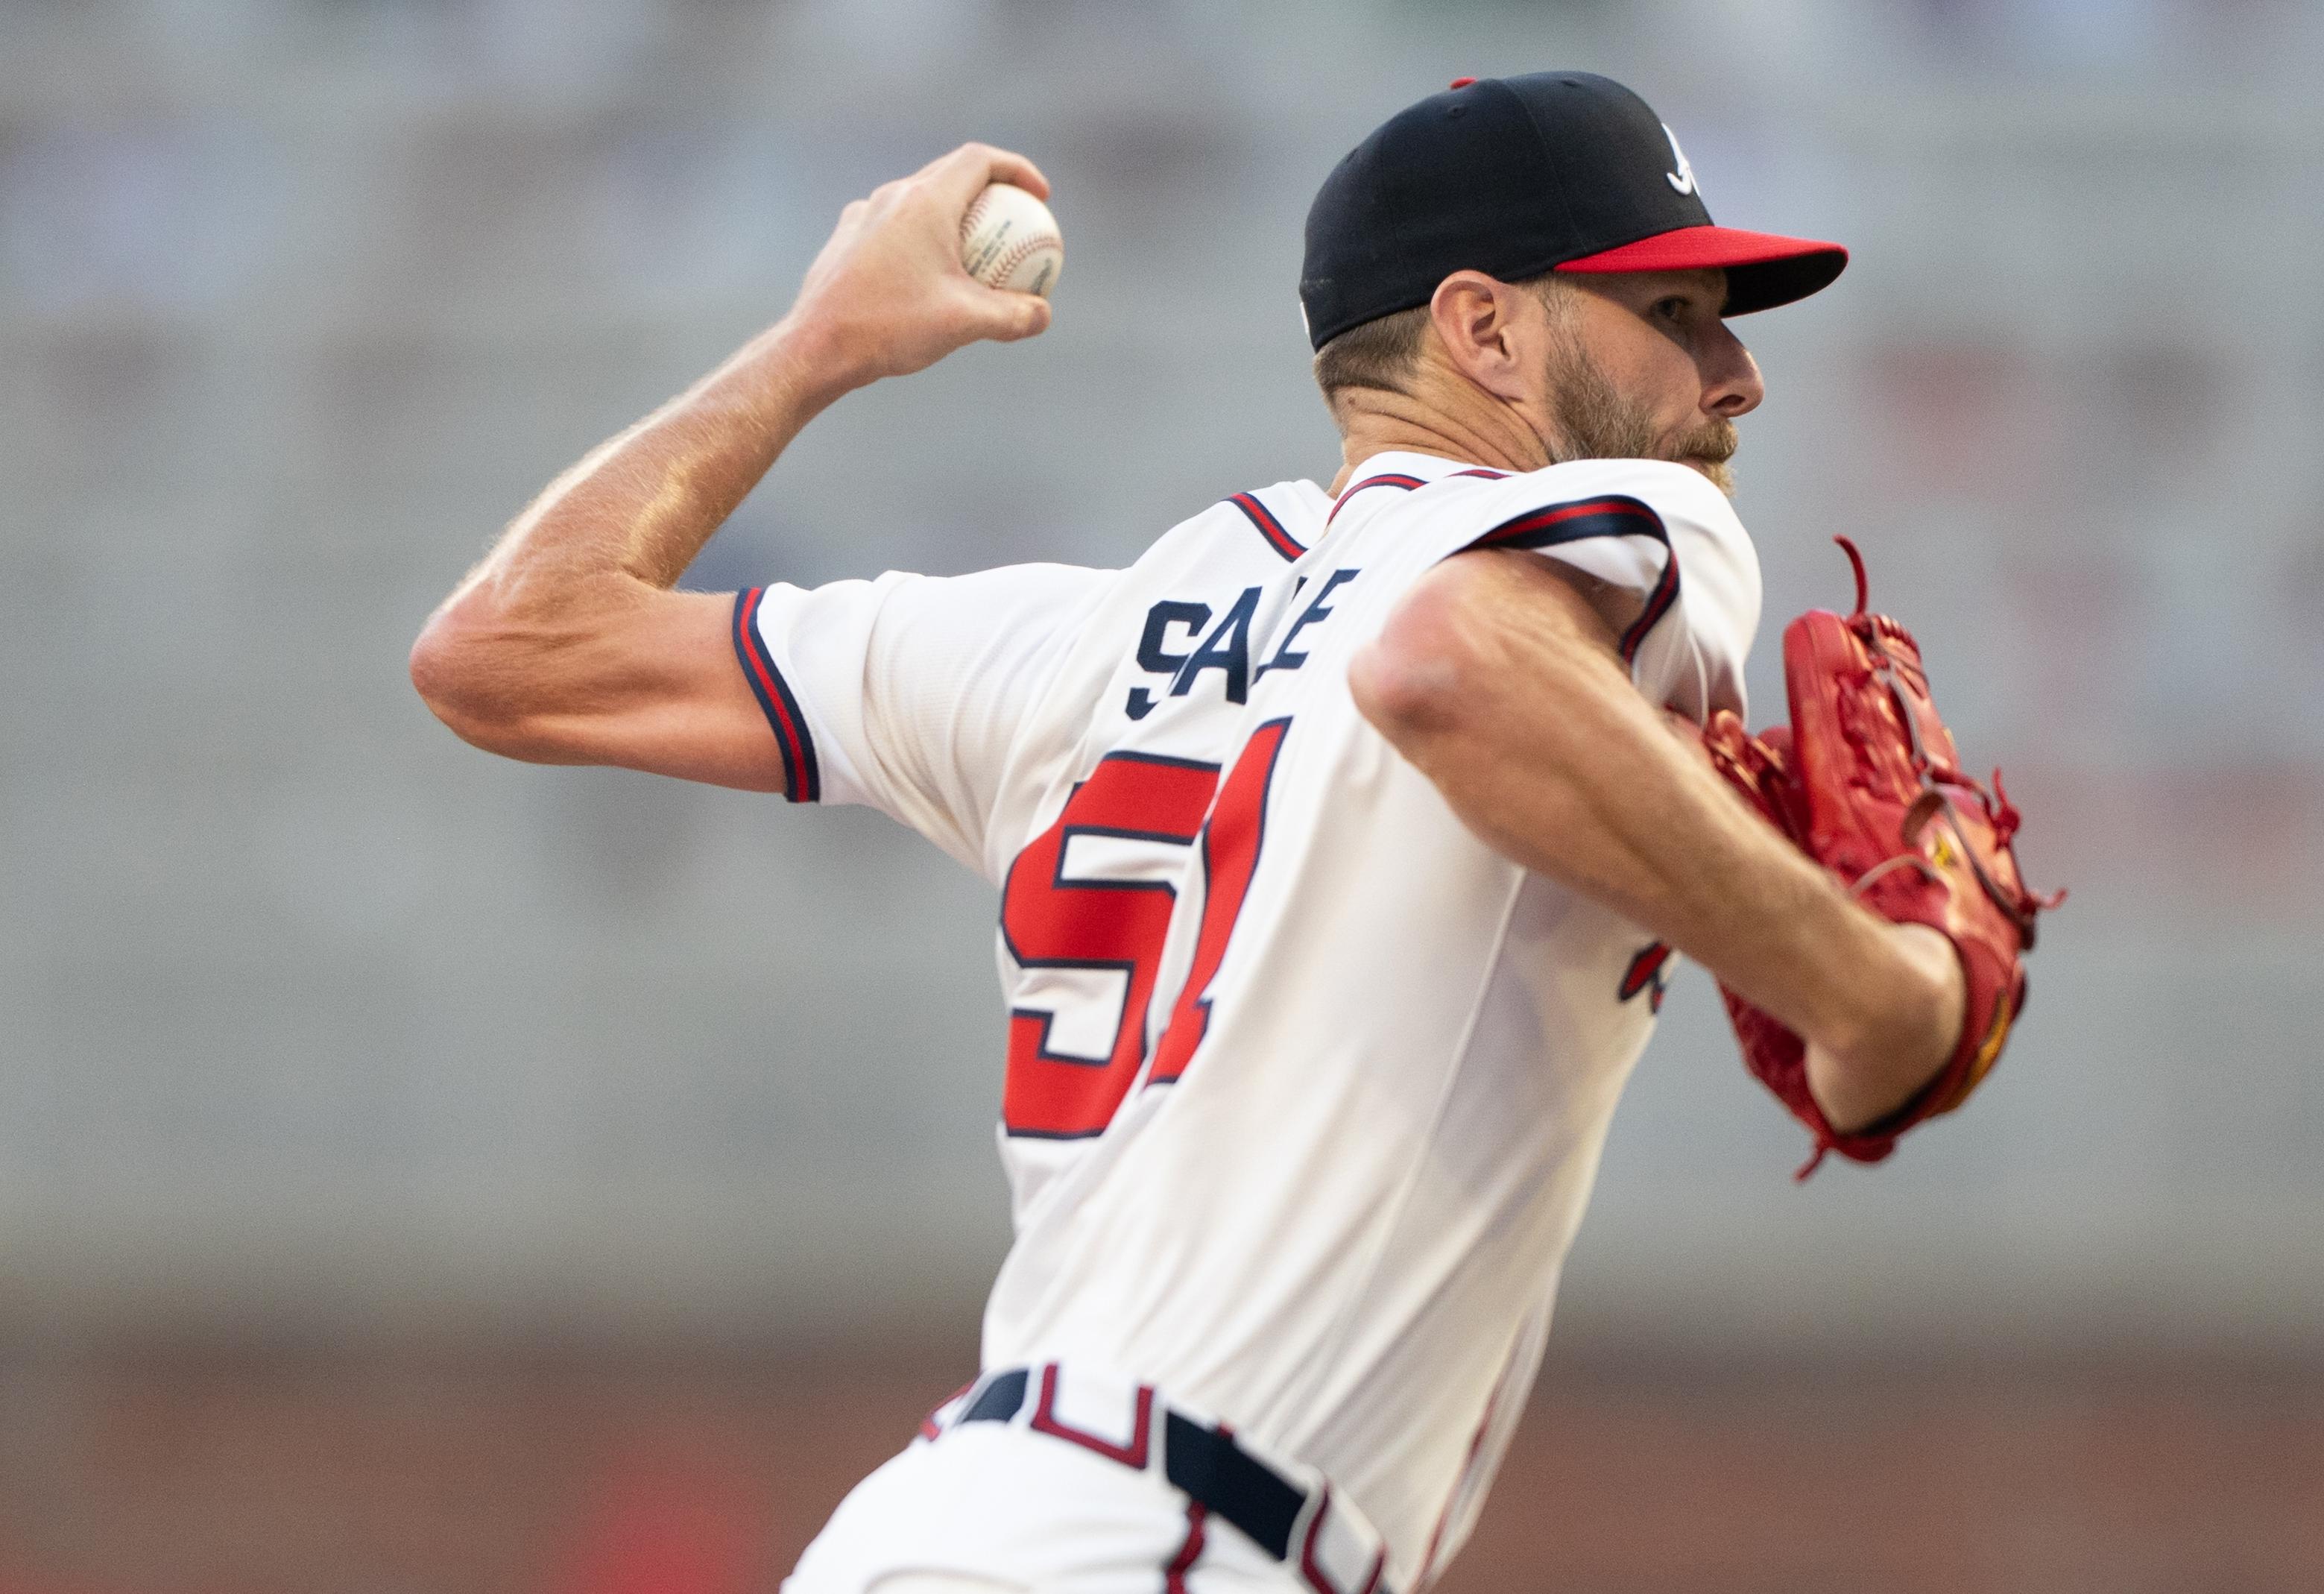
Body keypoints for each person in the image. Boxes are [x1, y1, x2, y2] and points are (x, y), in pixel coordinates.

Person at [411, 71, 1963, 1594]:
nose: (1737, 372)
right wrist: (1878, 995)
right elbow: (1445, 667)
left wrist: (819, 349)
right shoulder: (1636, 519)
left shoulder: (1079, 642)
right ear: (1483, 329)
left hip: (939, 1522)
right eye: (1675, 316)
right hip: (1174, 1543)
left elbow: (509, 645)